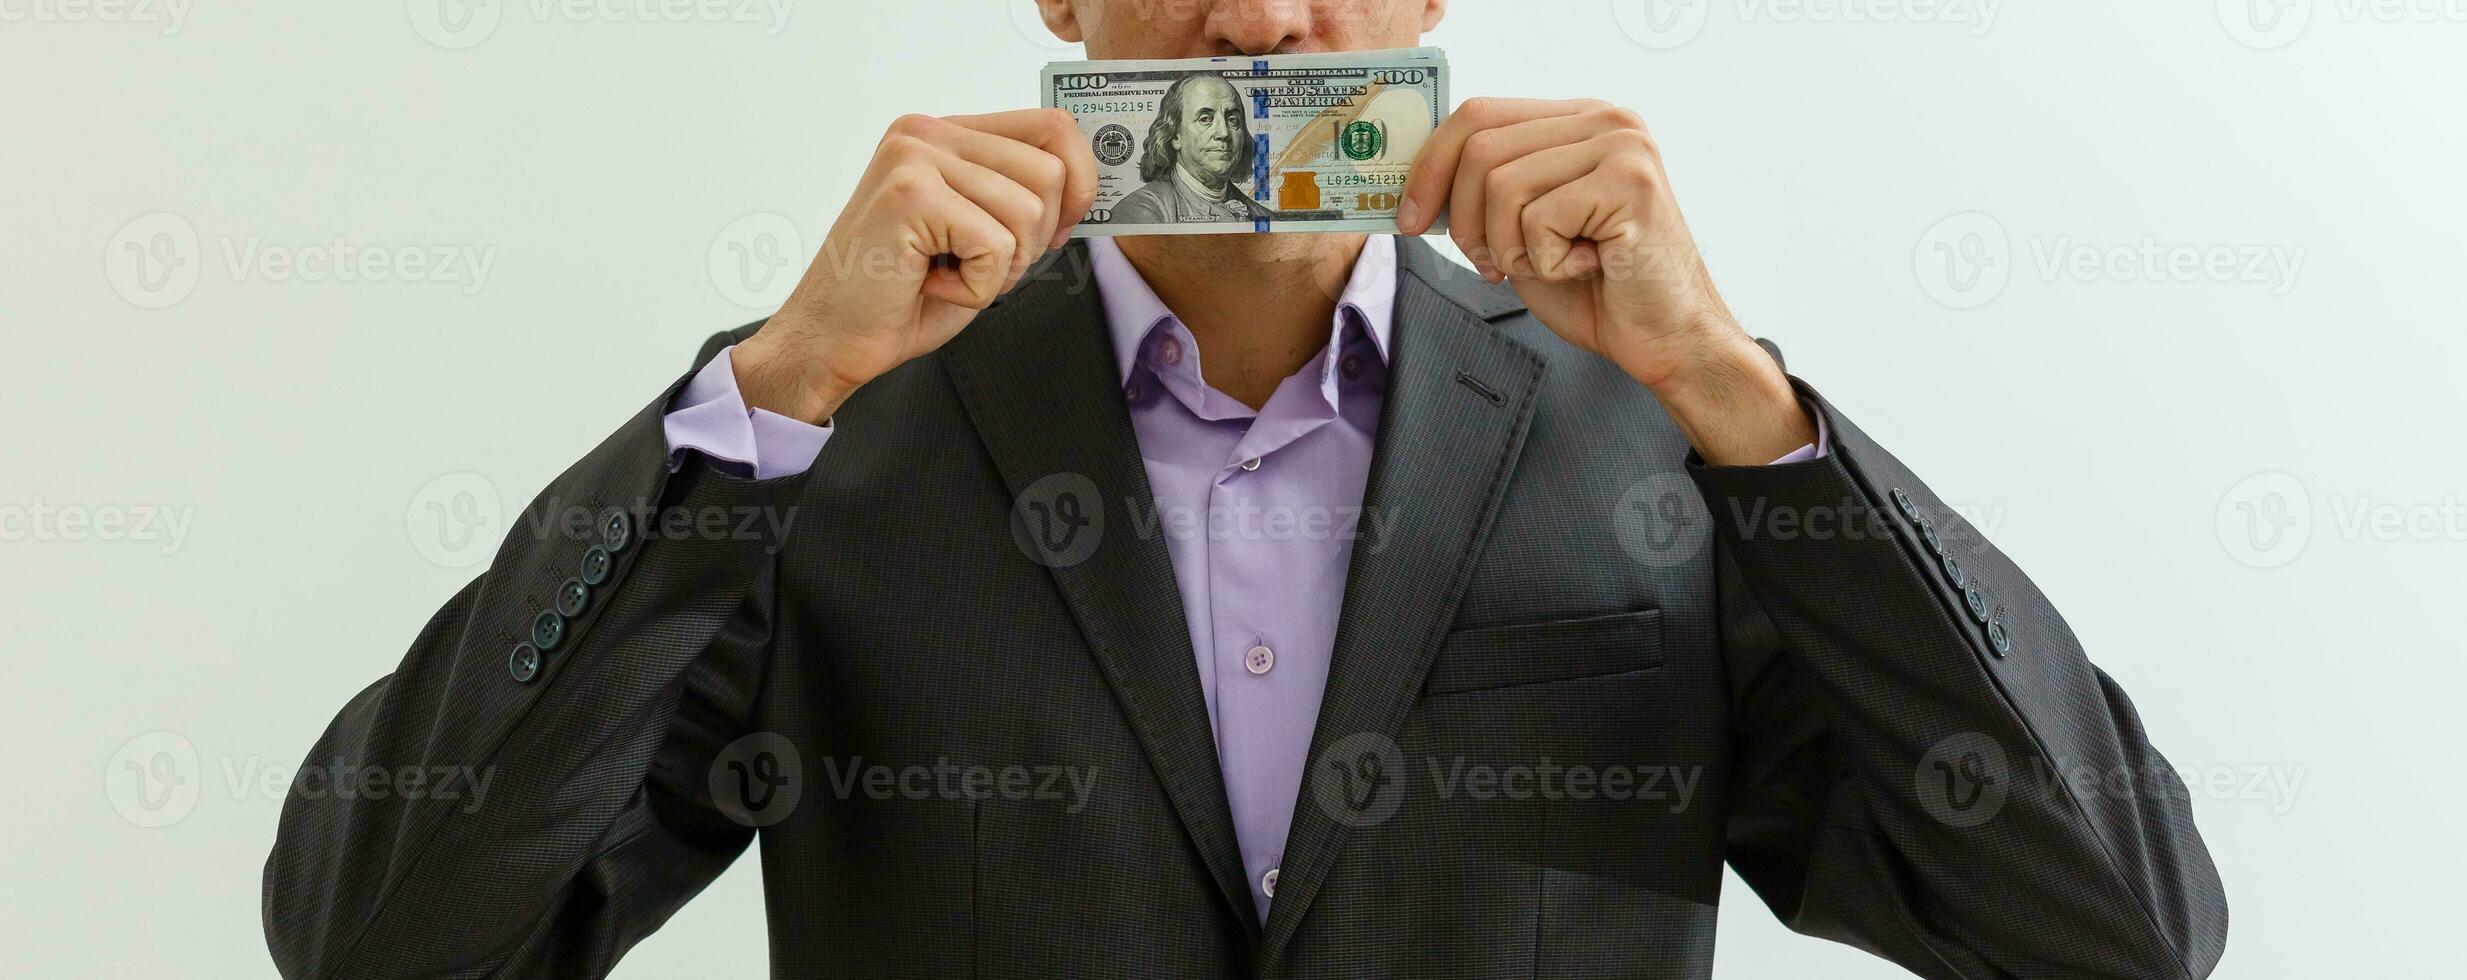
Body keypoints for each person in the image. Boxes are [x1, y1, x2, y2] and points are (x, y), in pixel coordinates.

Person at [263, 1, 2229, 977]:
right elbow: (379, 934)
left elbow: (2118, 928)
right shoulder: (818, 452)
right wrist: (768, 394)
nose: (1264, 25)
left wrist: (1740, 397)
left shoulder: (1664, 447)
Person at [1111, 73, 1270, 224]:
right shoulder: (1140, 212)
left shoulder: (1263, 216)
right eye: (1205, 119)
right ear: (1175, 136)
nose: (1223, 133)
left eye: (1233, 120)